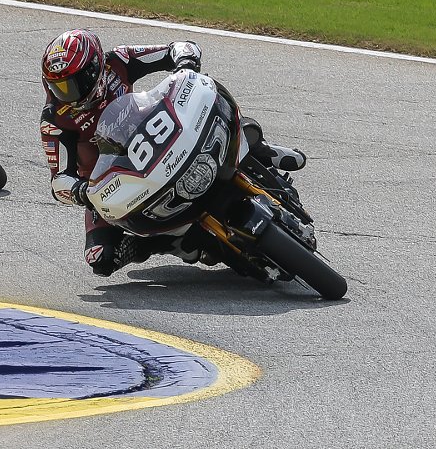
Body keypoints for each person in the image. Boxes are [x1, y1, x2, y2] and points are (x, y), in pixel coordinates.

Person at [39, 29, 307, 277]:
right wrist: (82, 192)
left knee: (215, 111)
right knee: (101, 259)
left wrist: (185, 63)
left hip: (154, 134)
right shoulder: (55, 120)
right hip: (111, 183)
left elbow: (178, 48)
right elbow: (58, 180)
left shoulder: (118, 61)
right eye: (59, 87)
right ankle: (177, 244)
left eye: (74, 83)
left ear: (95, 68)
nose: (67, 94)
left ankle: (260, 150)